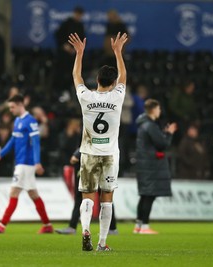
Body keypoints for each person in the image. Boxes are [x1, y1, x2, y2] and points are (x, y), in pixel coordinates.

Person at [68, 31, 128, 251]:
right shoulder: (117, 96)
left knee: (87, 196)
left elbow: (77, 77)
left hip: (88, 152)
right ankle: (102, 243)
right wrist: (118, 52)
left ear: (97, 81)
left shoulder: (86, 97)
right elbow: (124, 76)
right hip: (110, 154)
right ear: (112, 83)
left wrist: (79, 53)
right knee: (107, 199)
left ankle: (85, 230)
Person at [0, 94, 53, 234]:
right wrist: (0, 154)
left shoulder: (30, 121)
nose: (11, 110)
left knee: (14, 192)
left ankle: (1, 225)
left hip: (25, 163)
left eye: (12, 107)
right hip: (21, 162)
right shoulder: (17, 121)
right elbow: (12, 141)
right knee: (33, 194)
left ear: (20, 105)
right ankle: (47, 225)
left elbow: (36, 142)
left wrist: (37, 162)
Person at [134, 99, 177, 234]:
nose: (160, 111)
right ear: (153, 110)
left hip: (144, 164)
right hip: (150, 165)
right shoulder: (150, 125)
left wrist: (162, 134)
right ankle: (145, 227)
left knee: (144, 195)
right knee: (149, 195)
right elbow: (162, 144)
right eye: (158, 109)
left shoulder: (143, 125)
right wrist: (169, 134)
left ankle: (138, 225)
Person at [55, 148, 118, 235]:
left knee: (104, 197)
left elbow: (89, 142)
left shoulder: (88, 136)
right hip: (89, 162)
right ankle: (73, 227)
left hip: (95, 162)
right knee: (85, 197)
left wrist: (77, 154)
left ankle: (111, 228)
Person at [53, 7, 85, 96]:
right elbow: (58, 35)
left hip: (74, 53)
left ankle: (71, 90)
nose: (78, 16)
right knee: (61, 71)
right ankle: (60, 91)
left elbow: (82, 38)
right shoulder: (67, 23)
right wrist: (64, 45)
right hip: (64, 53)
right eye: (77, 14)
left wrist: (76, 49)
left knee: (74, 72)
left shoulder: (80, 25)